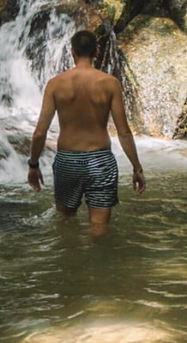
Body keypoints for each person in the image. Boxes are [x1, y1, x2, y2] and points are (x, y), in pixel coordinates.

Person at [27, 29, 146, 230]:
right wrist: (137, 168)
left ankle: (69, 259)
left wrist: (33, 165)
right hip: (100, 160)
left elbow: (40, 132)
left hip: (68, 160)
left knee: (64, 223)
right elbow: (124, 132)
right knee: (99, 227)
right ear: (96, 51)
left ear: (72, 52)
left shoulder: (55, 84)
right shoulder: (110, 84)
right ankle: (98, 259)